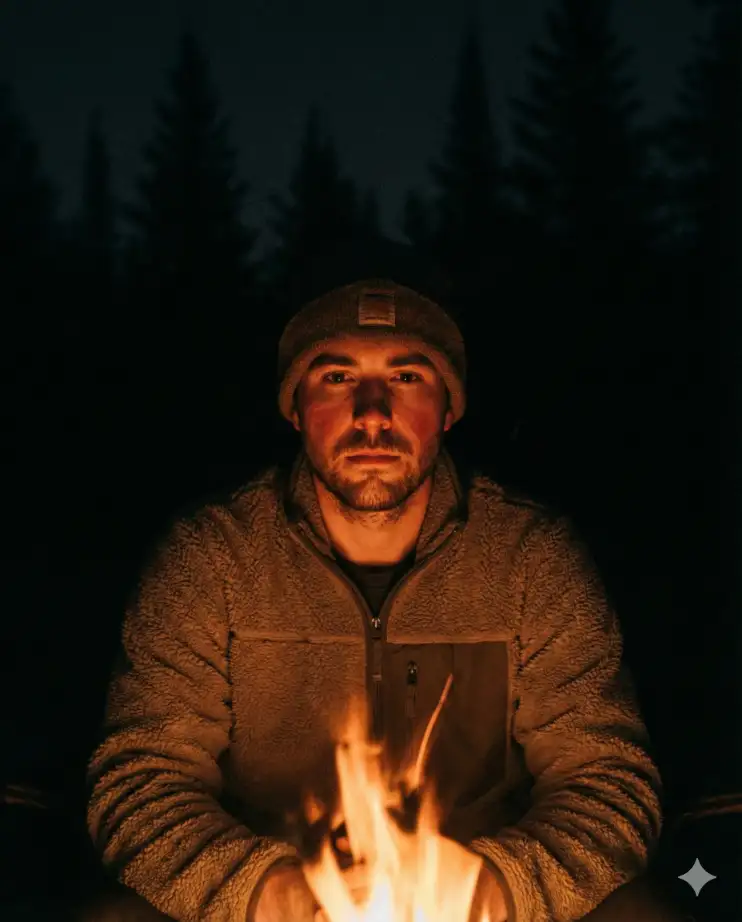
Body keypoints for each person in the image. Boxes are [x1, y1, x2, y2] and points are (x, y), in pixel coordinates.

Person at [83, 280, 687, 922]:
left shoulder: (529, 559)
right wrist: (272, 892)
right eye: (338, 377)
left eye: (406, 377)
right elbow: (141, 778)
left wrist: (489, 887)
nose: (372, 413)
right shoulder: (212, 558)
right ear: (294, 407)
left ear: (450, 408)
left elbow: (607, 778)